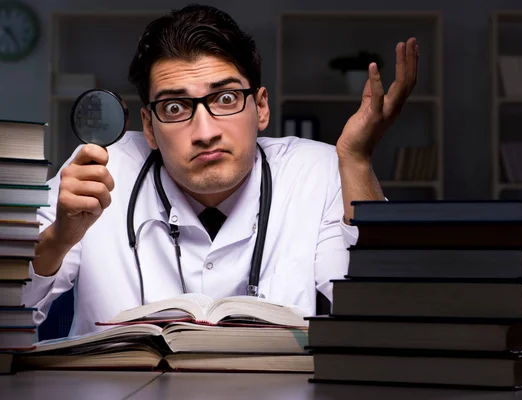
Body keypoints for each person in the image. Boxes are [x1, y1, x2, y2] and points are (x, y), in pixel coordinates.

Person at [23, 4, 418, 336]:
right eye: (175, 108)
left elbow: (385, 316)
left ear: (260, 107)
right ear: (149, 127)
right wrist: (60, 237)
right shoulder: (96, 171)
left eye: (226, 98)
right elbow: (11, 311)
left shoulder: (321, 170)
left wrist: (357, 159)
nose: (205, 132)